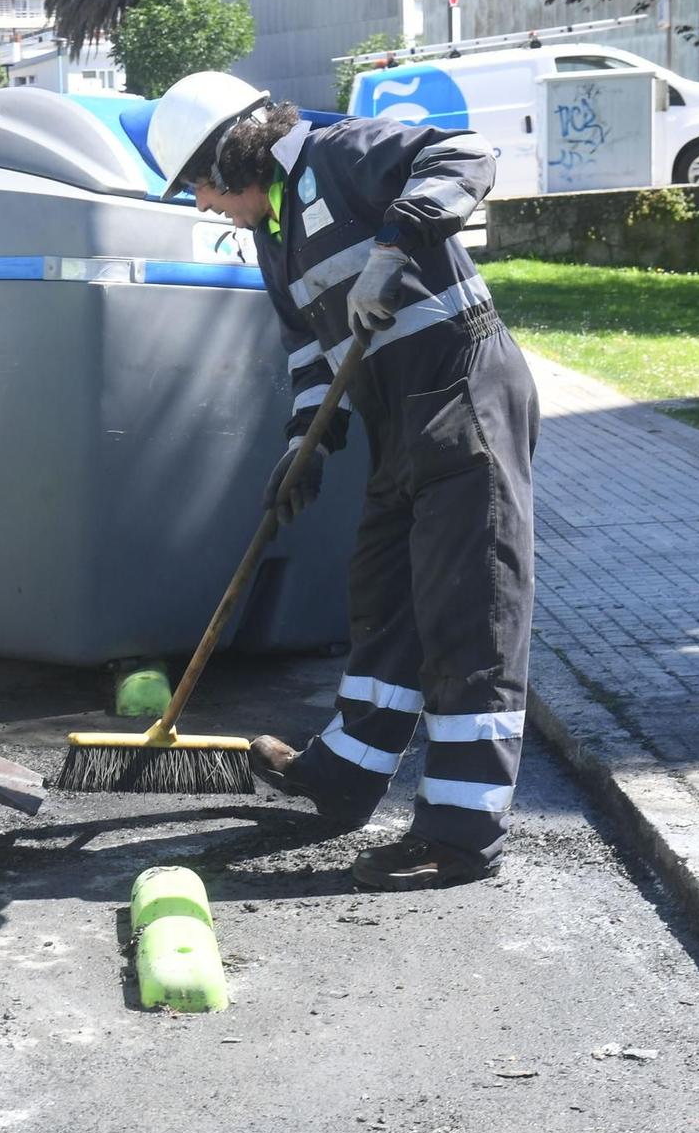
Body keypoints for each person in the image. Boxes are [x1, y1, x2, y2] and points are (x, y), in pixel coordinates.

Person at [146, 72, 540, 890]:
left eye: (201, 184)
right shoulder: (273, 234)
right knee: (383, 596)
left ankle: (462, 834)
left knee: (468, 610)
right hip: (401, 419)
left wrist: (397, 246)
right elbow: (308, 352)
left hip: (467, 389)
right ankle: (346, 775)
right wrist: (305, 447)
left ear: (234, 152)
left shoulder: (343, 154)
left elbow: (466, 152)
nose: (202, 205)